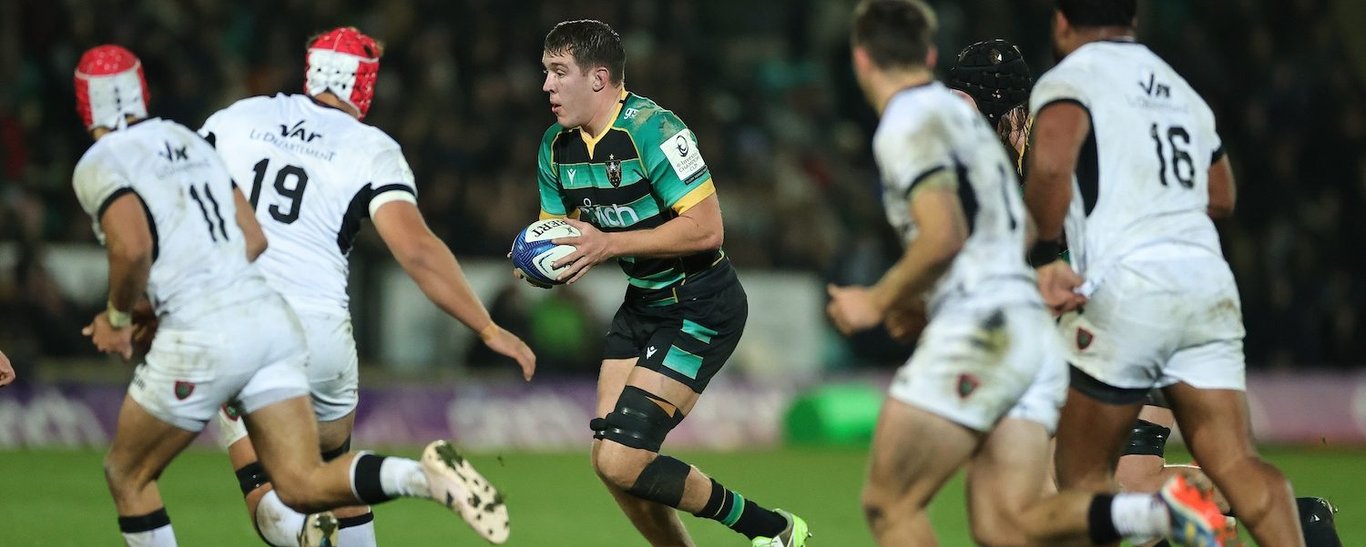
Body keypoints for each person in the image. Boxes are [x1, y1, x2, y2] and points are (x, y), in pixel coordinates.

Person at [72, 44, 510, 547]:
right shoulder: (190, 141)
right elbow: (408, 248)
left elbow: (137, 246)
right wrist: (487, 326)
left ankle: (305, 532)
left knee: (138, 474)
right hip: (301, 330)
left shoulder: (224, 122)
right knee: (312, 481)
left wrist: (123, 313)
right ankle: (418, 477)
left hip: (217, 324)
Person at [829, 1, 1227, 545]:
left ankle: (1159, 507)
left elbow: (946, 235)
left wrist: (877, 302)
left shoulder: (913, 124)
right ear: (927, 53)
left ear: (860, 60)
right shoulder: (992, 144)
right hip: (1043, 338)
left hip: (1013, 331)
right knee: (1011, 523)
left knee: (889, 503)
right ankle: (1155, 513)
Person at [199, 26, 534, 546]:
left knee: (273, 494)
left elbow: (175, 202)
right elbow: (418, 250)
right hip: (324, 339)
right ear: (366, 86)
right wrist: (486, 327)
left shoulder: (235, 119)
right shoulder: (373, 148)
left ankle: (418, 479)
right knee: (334, 477)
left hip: (248, 325)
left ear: (311, 69)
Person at [1023, 0, 1303, 545]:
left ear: (1061, 22)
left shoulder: (1071, 79)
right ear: (1134, 20)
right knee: (1238, 462)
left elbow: (1053, 165)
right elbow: (1221, 194)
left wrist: (1040, 247)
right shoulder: (1179, 88)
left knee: (1079, 474)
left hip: (1129, 287)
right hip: (1207, 285)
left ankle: (1160, 516)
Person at [530, 19, 808, 547]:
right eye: (546, 72)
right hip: (643, 304)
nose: (547, 85)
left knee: (621, 457)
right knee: (609, 461)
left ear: (598, 78)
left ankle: (772, 529)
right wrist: (539, 261)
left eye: (559, 72)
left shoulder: (654, 131)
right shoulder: (554, 147)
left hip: (702, 303)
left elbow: (707, 230)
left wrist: (607, 245)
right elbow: (559, 233)